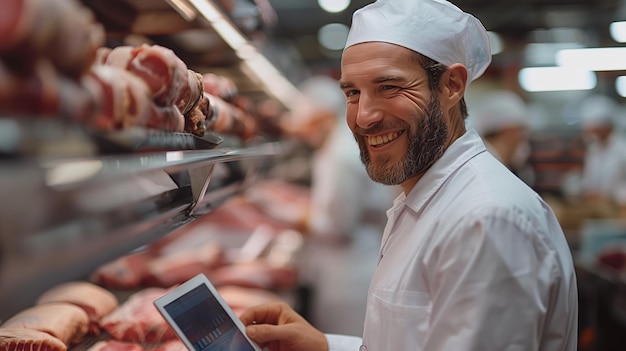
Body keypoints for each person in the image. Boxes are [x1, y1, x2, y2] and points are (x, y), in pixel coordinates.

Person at [240, 0, 579, 350]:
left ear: (451, 86)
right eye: (353, 92)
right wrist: (327, 346)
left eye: (389, 87)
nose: (364, 117)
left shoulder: (485, 220)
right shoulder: (426, 199)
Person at [471, 90, 535, 186]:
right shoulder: (487, 168)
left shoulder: (498, 165)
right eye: (521, 129)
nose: (524, 135)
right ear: (507, 130)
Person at [578, 94, 626, 216]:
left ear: (606, 127)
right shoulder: (593, 149)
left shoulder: (622, 149)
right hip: (597, 208)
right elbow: (589, 179)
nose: (590, 134)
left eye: (594, 130)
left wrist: (610, 196)